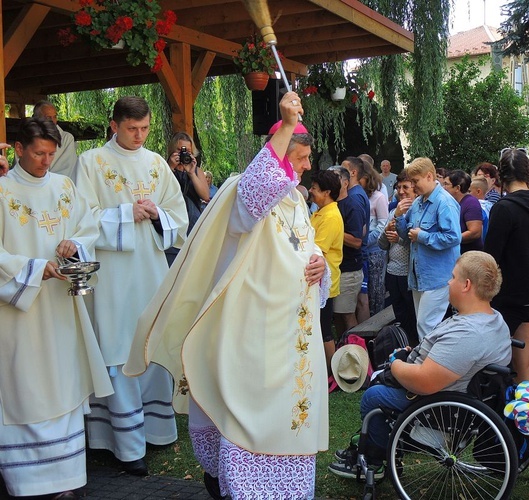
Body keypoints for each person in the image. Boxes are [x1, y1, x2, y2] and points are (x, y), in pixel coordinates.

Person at [124, 92, 329, 499]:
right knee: (247, 414)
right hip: (253, 332)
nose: (307, 166)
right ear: (282, 153)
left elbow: (305, 245)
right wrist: (287, 125)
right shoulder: (242, 190)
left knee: (286, 416)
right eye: (301, 156)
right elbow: (253, 201)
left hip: (291, 337)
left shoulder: (296, 200)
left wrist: (319, 264)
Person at [74, 96, 188, 476]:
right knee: (119, 350)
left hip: (150, 271)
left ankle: (156, 430)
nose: (139, 136)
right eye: (131, 129)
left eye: (145, 129)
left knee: (148, 346)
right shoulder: (91, 163)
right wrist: (127, 213)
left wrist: (158, 216)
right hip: (111, 277)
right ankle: (125, 444)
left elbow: (179, 216)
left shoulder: (156, 163)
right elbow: (80, 220)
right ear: (114, 125)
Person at [0, 118, 112, 499]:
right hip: (22, 314)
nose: (46, 161)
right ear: (18, 149)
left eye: (51, 154)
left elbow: (88, 224)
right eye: (38, 153)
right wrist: (33, 269)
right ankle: (28, 482)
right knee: (27, 388)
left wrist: (74, 245)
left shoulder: (64, 187)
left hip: (62, 310)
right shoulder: (2, 192)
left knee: (64, 383)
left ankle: (65, 481)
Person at [328, 251, 512, 478]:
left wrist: (396, 363)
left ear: (466, 285)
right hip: (458, 396)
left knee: (373, 396)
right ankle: (364, 443)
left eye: (453, 277)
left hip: (441, 406)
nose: (448, 282)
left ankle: (375, 461)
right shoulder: (494, 319)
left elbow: (425, 382)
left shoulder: (468, 335)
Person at [484, 149, 529, 383]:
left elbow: (490, 258)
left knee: (492, 360)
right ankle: (526, 415)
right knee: (523, 364)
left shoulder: (503, 208)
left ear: (501, 177)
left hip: (510, 294)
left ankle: (505, 412)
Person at [394, 157, 461, 341]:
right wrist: (399, 216)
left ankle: (429, 366)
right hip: (419, 276)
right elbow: (407, 235)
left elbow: (454, 237)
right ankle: (430, 363)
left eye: (415, 181)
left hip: (439, 277)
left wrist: (422, 236)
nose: (413, 187)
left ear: (429, 176)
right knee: (424, 325)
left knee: (426, 325)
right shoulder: (418, 202)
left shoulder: (444, 202)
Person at [310, 169, 344, 374]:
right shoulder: (320, 211)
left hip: (324, 280)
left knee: (324, 329)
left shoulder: (330, 216)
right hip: (317, 278)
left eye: (314, 188)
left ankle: (332, 373)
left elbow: (316, 249)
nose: (311, 192)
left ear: (327, 192)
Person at [379, 171, 418, 344]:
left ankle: (415, 348)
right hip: (392, 271)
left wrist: (400, 239)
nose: (401, 191)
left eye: (405, 187)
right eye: (398, 187)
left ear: (415, 189)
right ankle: (403, 345)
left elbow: (418, 244)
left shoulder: (418, 210)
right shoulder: (394, 210)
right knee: (399, 314)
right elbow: (382, 244)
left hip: (409, 274)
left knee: (413, 315)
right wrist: (388, 232)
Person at [331, 165, 368, 336]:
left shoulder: (352, 205)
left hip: (349, 270)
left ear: (345, 183)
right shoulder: (330, 204)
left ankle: (355, 352)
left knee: (347, 314)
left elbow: (357, 241)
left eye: (334, 178)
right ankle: (341, 351)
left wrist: (333, 230)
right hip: (334, 269)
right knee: (336, 315)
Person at [164, 132, 209, 265]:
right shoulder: (163, 168)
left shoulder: (197, 171)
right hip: (172, 223)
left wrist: (191, 174)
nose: (183, 154)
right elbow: (160, 189)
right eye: (179, 150)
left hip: (192, 222)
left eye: (187, 151)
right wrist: (170, 167)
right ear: (172, 151)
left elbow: (205, 196)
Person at [360, 160, 389, 316]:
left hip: (374, 250)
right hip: (361, 250)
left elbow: (383, 224)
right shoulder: (359, 196)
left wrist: (366, 241)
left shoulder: (378, 197)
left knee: (375, 291)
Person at [31, 101, 78, 180]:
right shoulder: (27, 137)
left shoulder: (66, 139)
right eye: (48, 117)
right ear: (35, 118)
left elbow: (67, 168)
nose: (53, 121)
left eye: (55, 117)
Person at [443, 169, 484, 253]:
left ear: (457, 188)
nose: (443, 187)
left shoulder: (471, 203)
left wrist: (449, 240)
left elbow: (475, 232)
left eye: (446, 184)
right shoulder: (452, 203)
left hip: (469, 257)